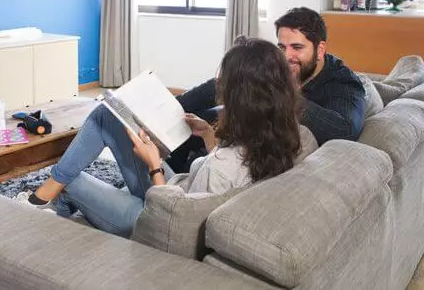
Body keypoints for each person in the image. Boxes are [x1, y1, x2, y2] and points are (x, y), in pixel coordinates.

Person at [18, 38, 317, 238]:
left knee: (70, 181)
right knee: (108, 114)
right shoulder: (290, 137)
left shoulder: (221, 169)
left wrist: (154, 166)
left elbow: (173, 227)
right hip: (177, 191)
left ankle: (42, 199)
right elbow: (222, 176)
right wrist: (210, 135)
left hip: (152, 216)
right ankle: (50, 202)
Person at [166, 6, 365, 173]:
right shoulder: (279, 64)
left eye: (297, 48)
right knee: (187, 119)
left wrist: (282, 93)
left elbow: (345, 131)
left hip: (264, 151)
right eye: (281, 47)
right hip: (247, 130)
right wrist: (172, 104)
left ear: (320, 50)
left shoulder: (343, 83)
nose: (287, 57)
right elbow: (224, 84)